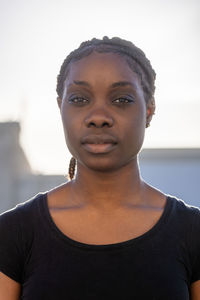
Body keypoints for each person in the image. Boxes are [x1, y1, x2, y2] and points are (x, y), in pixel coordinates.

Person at [0, 36, 199, 299]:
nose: (98, 117)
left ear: (149, 110)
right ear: (60, 107)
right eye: (80, 100)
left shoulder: (193, 232)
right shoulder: (13, 233)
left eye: (122, 100)